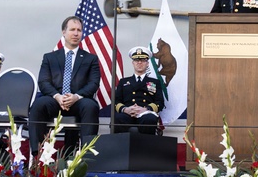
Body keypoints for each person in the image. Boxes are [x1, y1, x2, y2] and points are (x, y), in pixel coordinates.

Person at [28, 16, 101, 150]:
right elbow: (43, 82)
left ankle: (86, 155)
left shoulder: (91, 59)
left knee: (91, 106)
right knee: (38, 105)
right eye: (72, 29)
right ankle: (36, 154)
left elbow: (94, 83)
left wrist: (76, 97)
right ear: (64, 32)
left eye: (79, 30)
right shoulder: (50, 57)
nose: (76, 33)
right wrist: (58, 96)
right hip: (55, 99)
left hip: (79, 100)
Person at [113, 47, 164, 135]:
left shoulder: (155, 82)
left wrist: (145, 109)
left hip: (145, 113)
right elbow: (116, 101)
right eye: (136, 60)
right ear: (133, 63)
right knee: (118, 118)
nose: (139, 63)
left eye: (143, 60)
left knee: (150, 119)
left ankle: (145, 148)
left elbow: (160, 102)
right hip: (127, 113)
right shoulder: (123, 81)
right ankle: (121, 148)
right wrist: (126, 109)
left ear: (147, 64)